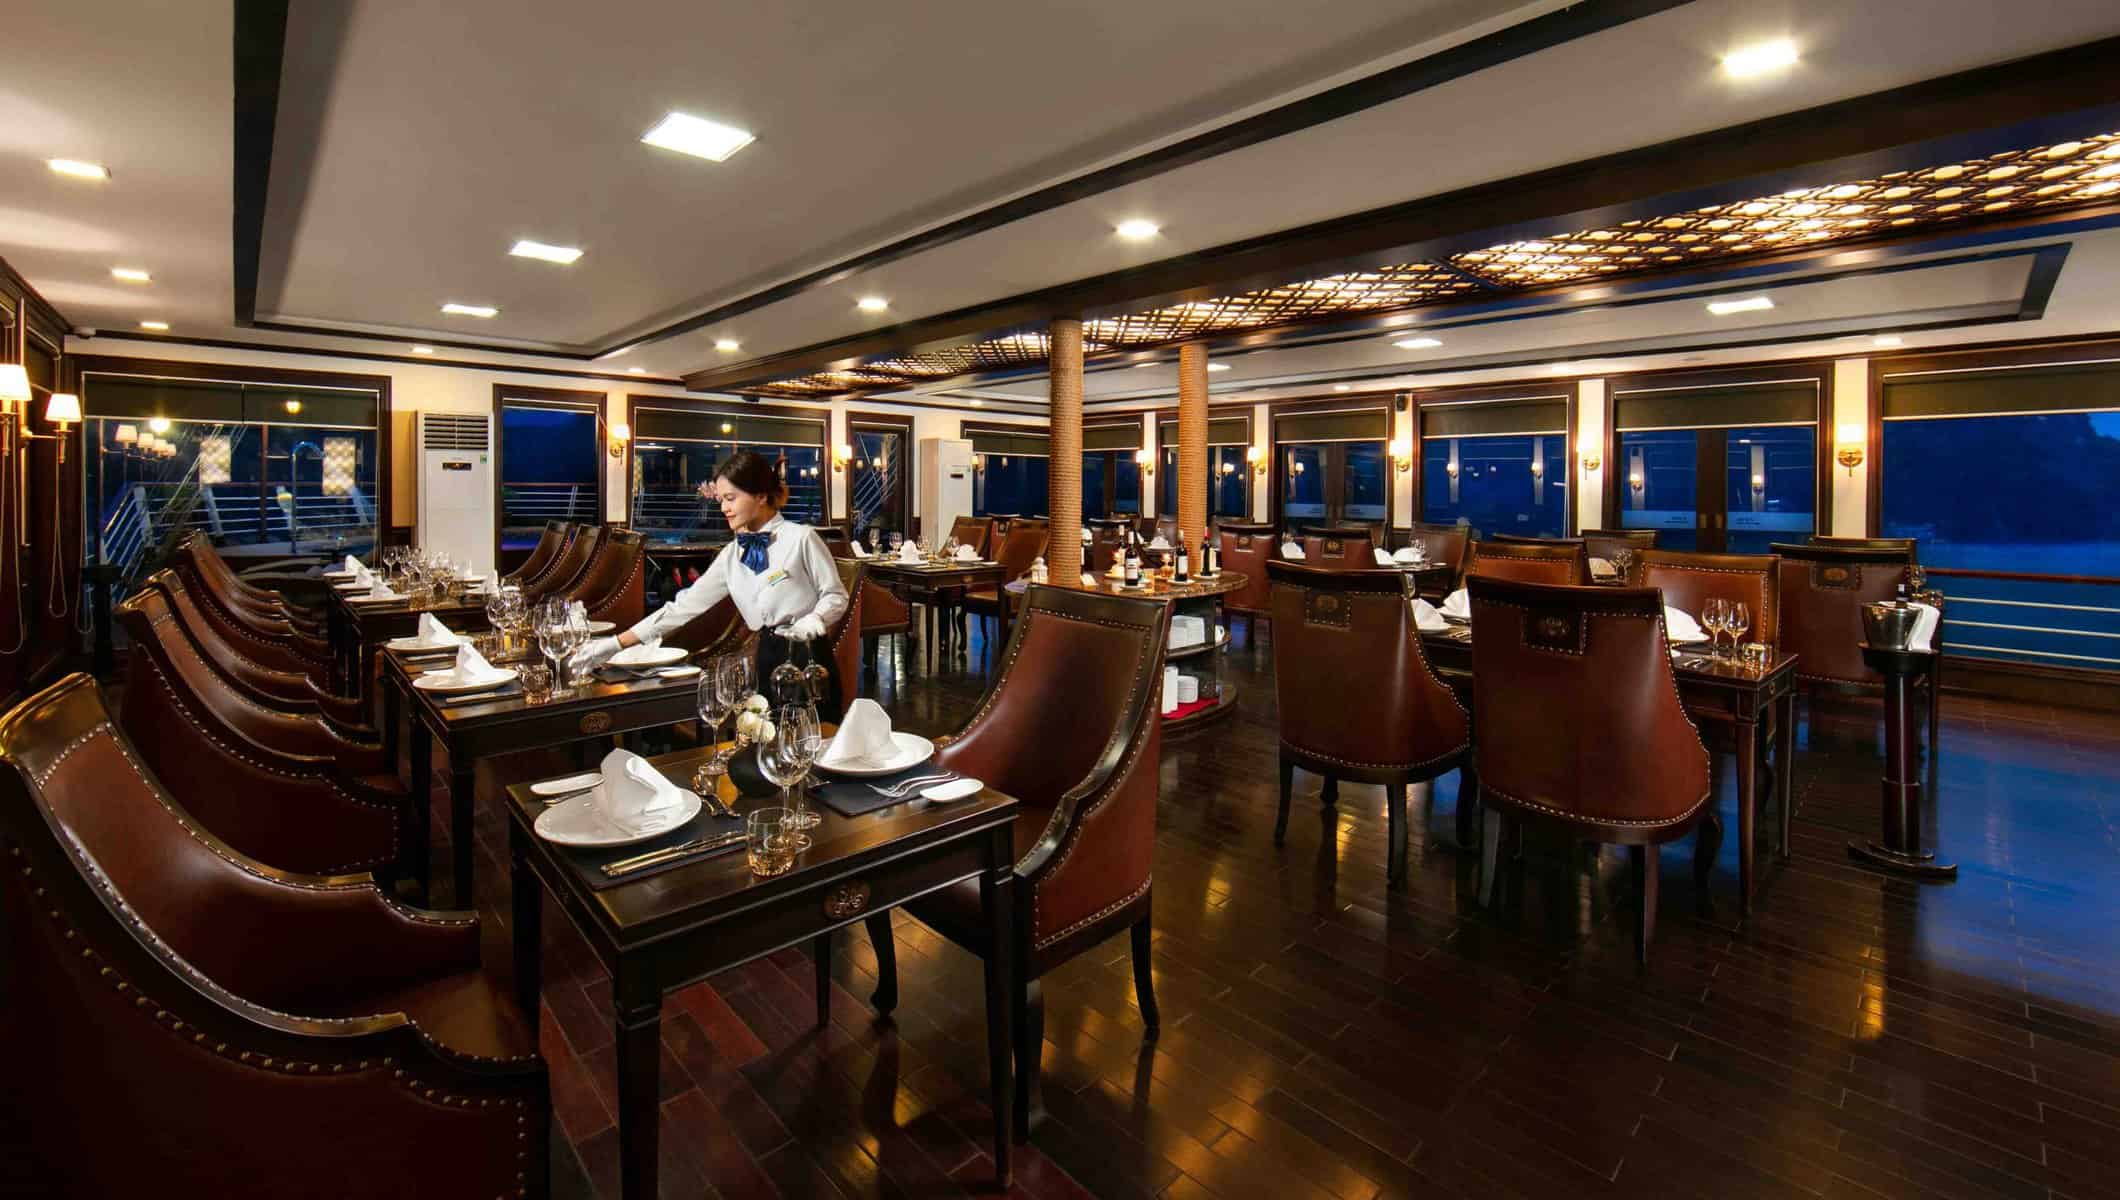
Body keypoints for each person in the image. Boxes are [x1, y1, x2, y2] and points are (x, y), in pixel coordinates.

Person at [572, 450, 850, 715]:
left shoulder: (801, 538)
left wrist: (816, 618)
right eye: (720, 500)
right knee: (771, 739)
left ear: (761, 496)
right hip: (766, 655)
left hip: (809, 657)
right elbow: (681, 609)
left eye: (730, 498)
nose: (723, 508)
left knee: (815, 737)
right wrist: (615, 644)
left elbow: (836, 595)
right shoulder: (731, 555)